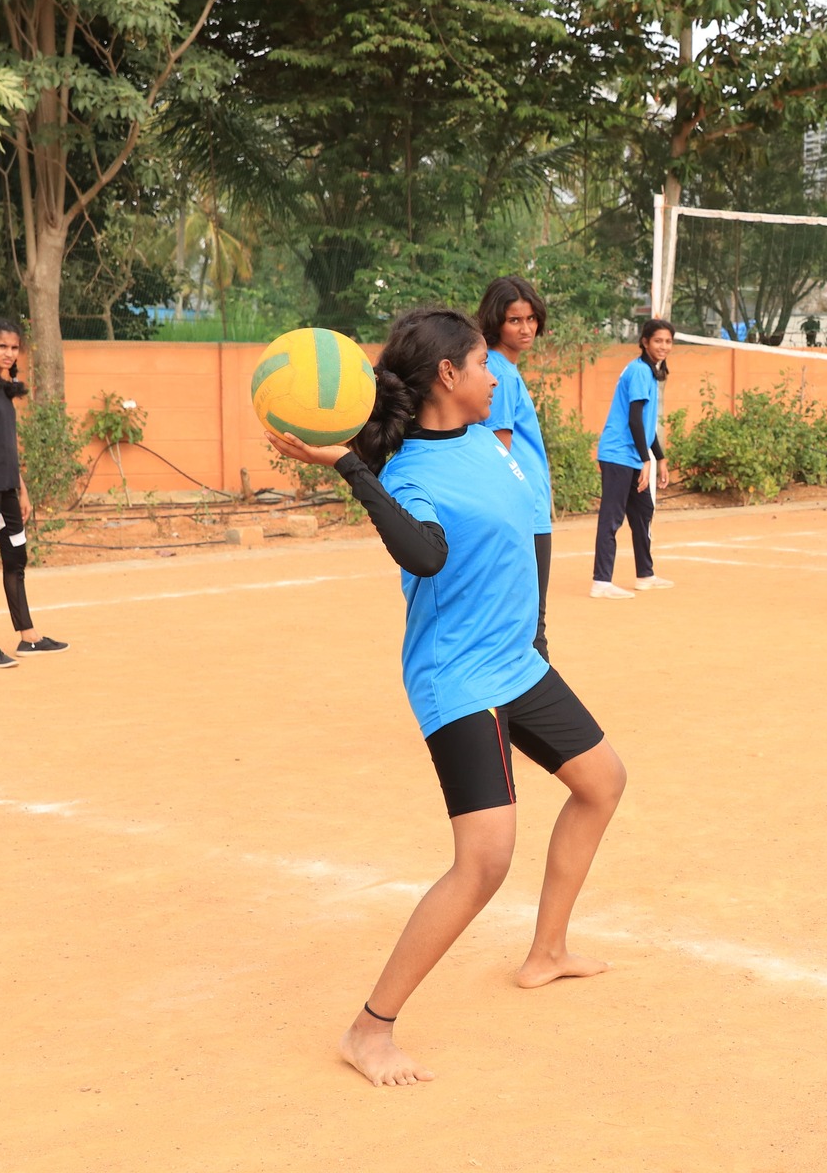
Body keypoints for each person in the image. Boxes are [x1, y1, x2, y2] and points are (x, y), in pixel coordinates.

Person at [266, 307, 626, 1088]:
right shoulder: (405, 474)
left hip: (515, 659)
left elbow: (521, 535)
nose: (497, 374)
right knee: (485, 860)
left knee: (602, 782)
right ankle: (370, 1029)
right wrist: (351, 469)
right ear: (448, 377)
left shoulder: (477, 439)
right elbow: (424, 555)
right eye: (483, 364)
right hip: (458, 675)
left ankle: (547, 952)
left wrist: (535, 630)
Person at [0, 321, 67, 668]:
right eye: (2, 346)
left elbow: (8, 445)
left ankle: (28, 637)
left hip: (9, 490)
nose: (9, 353)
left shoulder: (3, 390)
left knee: (16, 560)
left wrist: (23, 488)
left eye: (14, 348)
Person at [477, 276, 555, 658]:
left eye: (530, 319)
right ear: (496, 322)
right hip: (525, 514)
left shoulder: (498, 366)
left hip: (528, 510)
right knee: (530, 629)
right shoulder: (500, 373)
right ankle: (539, 717)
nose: (525, 328)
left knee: (524, 625)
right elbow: (500, 451)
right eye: (514, 320)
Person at [592, 320, 674, 598]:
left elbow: (647, 426)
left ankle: (645, 575)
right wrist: (646, 460)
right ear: (644, 342)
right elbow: (635, 419)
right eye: (658, 341)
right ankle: (601, 582)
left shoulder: (648, 373)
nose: (663, 346)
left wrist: (659, 458)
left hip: (631, 455)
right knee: (611, 518)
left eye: (668, 341)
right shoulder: (639, 371)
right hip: (618, 454)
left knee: (642, 513)